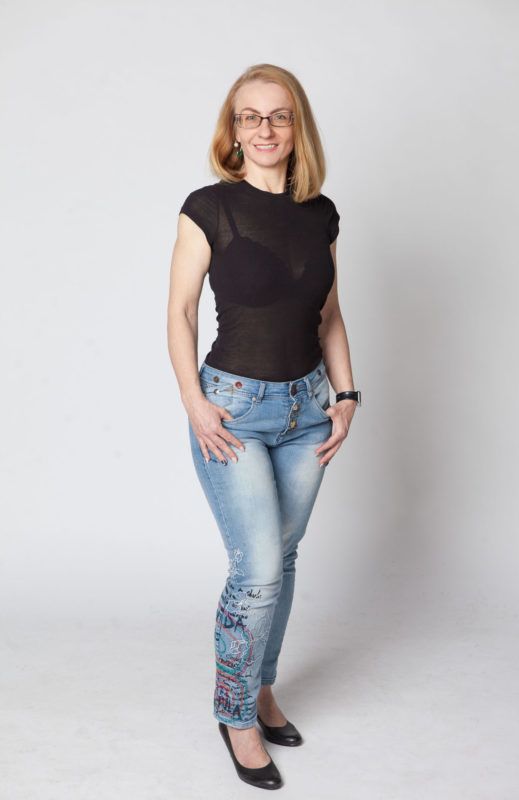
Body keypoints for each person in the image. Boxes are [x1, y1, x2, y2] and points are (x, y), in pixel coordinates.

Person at [167, 63, 361, 790]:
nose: (265, 129)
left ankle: (263, 688)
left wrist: (347, 395)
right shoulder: (209, 207)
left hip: (308, 410)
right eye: (250, 117)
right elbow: (181, 311)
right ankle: (235, 714)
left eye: (278, 115)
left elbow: (329, 314)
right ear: (234, 130)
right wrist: (193, 401)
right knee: (257, 572)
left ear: (296, 126)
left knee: (283, 558)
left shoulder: (322, 213)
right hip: (233, 409)